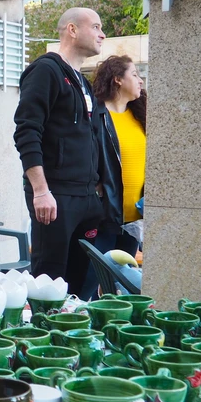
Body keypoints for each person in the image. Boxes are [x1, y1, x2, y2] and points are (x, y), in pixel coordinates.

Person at [13, 7, 106, 297]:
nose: (103, 34)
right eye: (96, 27)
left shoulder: (83, 82)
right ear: (72, 30)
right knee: (48, 284)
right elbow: (26, 131)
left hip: (87, 199)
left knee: (79, 287)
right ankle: (41, 339)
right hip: (55, 198)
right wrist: (41, 190)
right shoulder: (45, 70)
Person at [82, 55, 146, 297]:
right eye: (135, 75)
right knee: (91, 282)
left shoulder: (140, 115)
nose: (140, 81)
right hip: (104, 217)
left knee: (124, 286)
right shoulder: (96, 116)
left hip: (134, 221)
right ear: (118, 79)